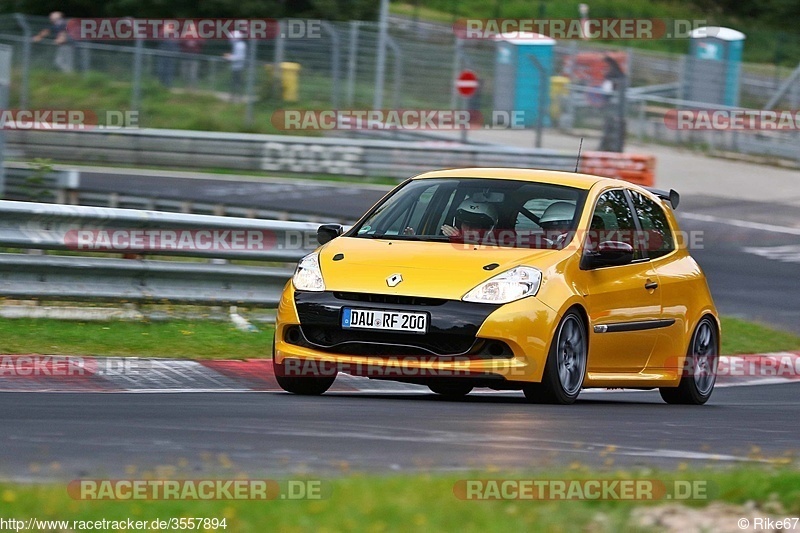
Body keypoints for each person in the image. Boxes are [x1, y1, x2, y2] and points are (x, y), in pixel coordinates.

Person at [223, 30, 247, 103]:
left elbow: (240, 57)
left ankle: (237, 98)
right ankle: (234, 97)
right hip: (236, 66)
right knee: (235, 82)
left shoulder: (240, 46)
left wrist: (229, 57)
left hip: (238, 67)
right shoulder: (238, 45)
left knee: (237, 83)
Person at [179, 21, 203, 89]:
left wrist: (195, 42)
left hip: (194, 56)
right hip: (185, 56)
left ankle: (193, 87)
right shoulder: (185, 35)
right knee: (184, 72)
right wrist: (187, 41)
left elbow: (202, 42)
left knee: (193, 72)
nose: (191, 29)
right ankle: (184, 86)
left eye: (193, 27)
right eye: (190, 27)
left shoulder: (198, 35)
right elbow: (180, 42)